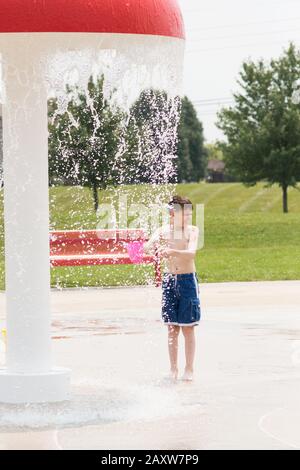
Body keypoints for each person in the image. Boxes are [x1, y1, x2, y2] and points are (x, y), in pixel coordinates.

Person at [144, 195, 201, 382]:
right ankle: (173, 369)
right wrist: (148, 248)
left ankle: (190, 368)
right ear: (172, 214)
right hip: (169, 280)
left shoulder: (192, 231)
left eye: (189, 214)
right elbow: (147, 247)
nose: (188, 217)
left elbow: (191, 254)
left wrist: (172, 251)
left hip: (187, 281)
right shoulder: (163, 231)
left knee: (188, 328)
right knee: (172, 328)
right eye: (184, 214)